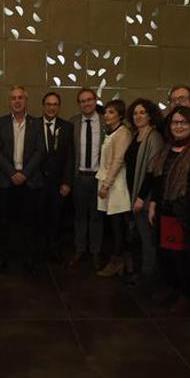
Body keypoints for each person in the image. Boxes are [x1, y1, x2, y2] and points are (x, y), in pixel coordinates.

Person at [147, 107, 190, 315]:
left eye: (183, 123)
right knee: (166, 254)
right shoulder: (166, 149)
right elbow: (158, 179)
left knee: (184, 258)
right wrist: (153, 203)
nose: (178, 126)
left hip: (187, 214)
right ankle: (173, 288)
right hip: (165, 210)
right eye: (175, 123)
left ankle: (187, 295)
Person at [0, 85, 44, 271]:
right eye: (14, 98)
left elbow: (40, 151)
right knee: (2, 223)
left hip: (30, 181)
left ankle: (28, 259)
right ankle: (1, 259)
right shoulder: (0, 122)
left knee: (28, 223)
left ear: (26, 100)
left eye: (21, 97)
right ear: (9, 101)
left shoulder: (37, 123)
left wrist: (24, 174)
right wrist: (12, 173)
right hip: (5, 180)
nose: (17, 101)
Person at [124, 98, 163, 279]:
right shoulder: (134, 135)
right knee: (136, 237)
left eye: (142, 112)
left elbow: (152, 171)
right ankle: (139, 270)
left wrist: (141, 197)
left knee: (147, 239)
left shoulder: (153, 137)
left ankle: (149, 274)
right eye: (135, 113)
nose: (138, 116)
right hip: (132, 193)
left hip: (144, 197)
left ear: (150, 115)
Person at [96, 100, 133, 277]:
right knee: (112, 225)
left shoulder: (123, 133)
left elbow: (118, 161)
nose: (107, 116)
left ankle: (118, 261)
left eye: (111, 112)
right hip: (107, 181)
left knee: (118, 225)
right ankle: (119, 260)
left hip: (116, 185)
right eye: (106, 112)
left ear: (119, 114)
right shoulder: (111, 132)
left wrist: (106, 185)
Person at [69, 88, 104, 268]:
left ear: (95, 100)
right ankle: (79, 250)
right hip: (79, 177)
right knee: (80, 216)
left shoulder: (106, 122)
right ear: (79, 104)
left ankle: (96, 252)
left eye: (89, 100)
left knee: (97, 217)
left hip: (99, 178)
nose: (86, 103)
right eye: (82, 101)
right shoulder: (73, 123)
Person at [38, 91, 74, 263]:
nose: (51, 108)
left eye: (55, 104)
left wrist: (67, 182)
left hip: (58, 183)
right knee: (37, 219)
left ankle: (53, 251)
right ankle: (38, 252)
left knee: (56, 219)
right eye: (48, 104)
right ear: (43, 106)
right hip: (37, 183)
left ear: (58, 107)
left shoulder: (67, 127)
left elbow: (70, 157)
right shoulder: (33, 124)